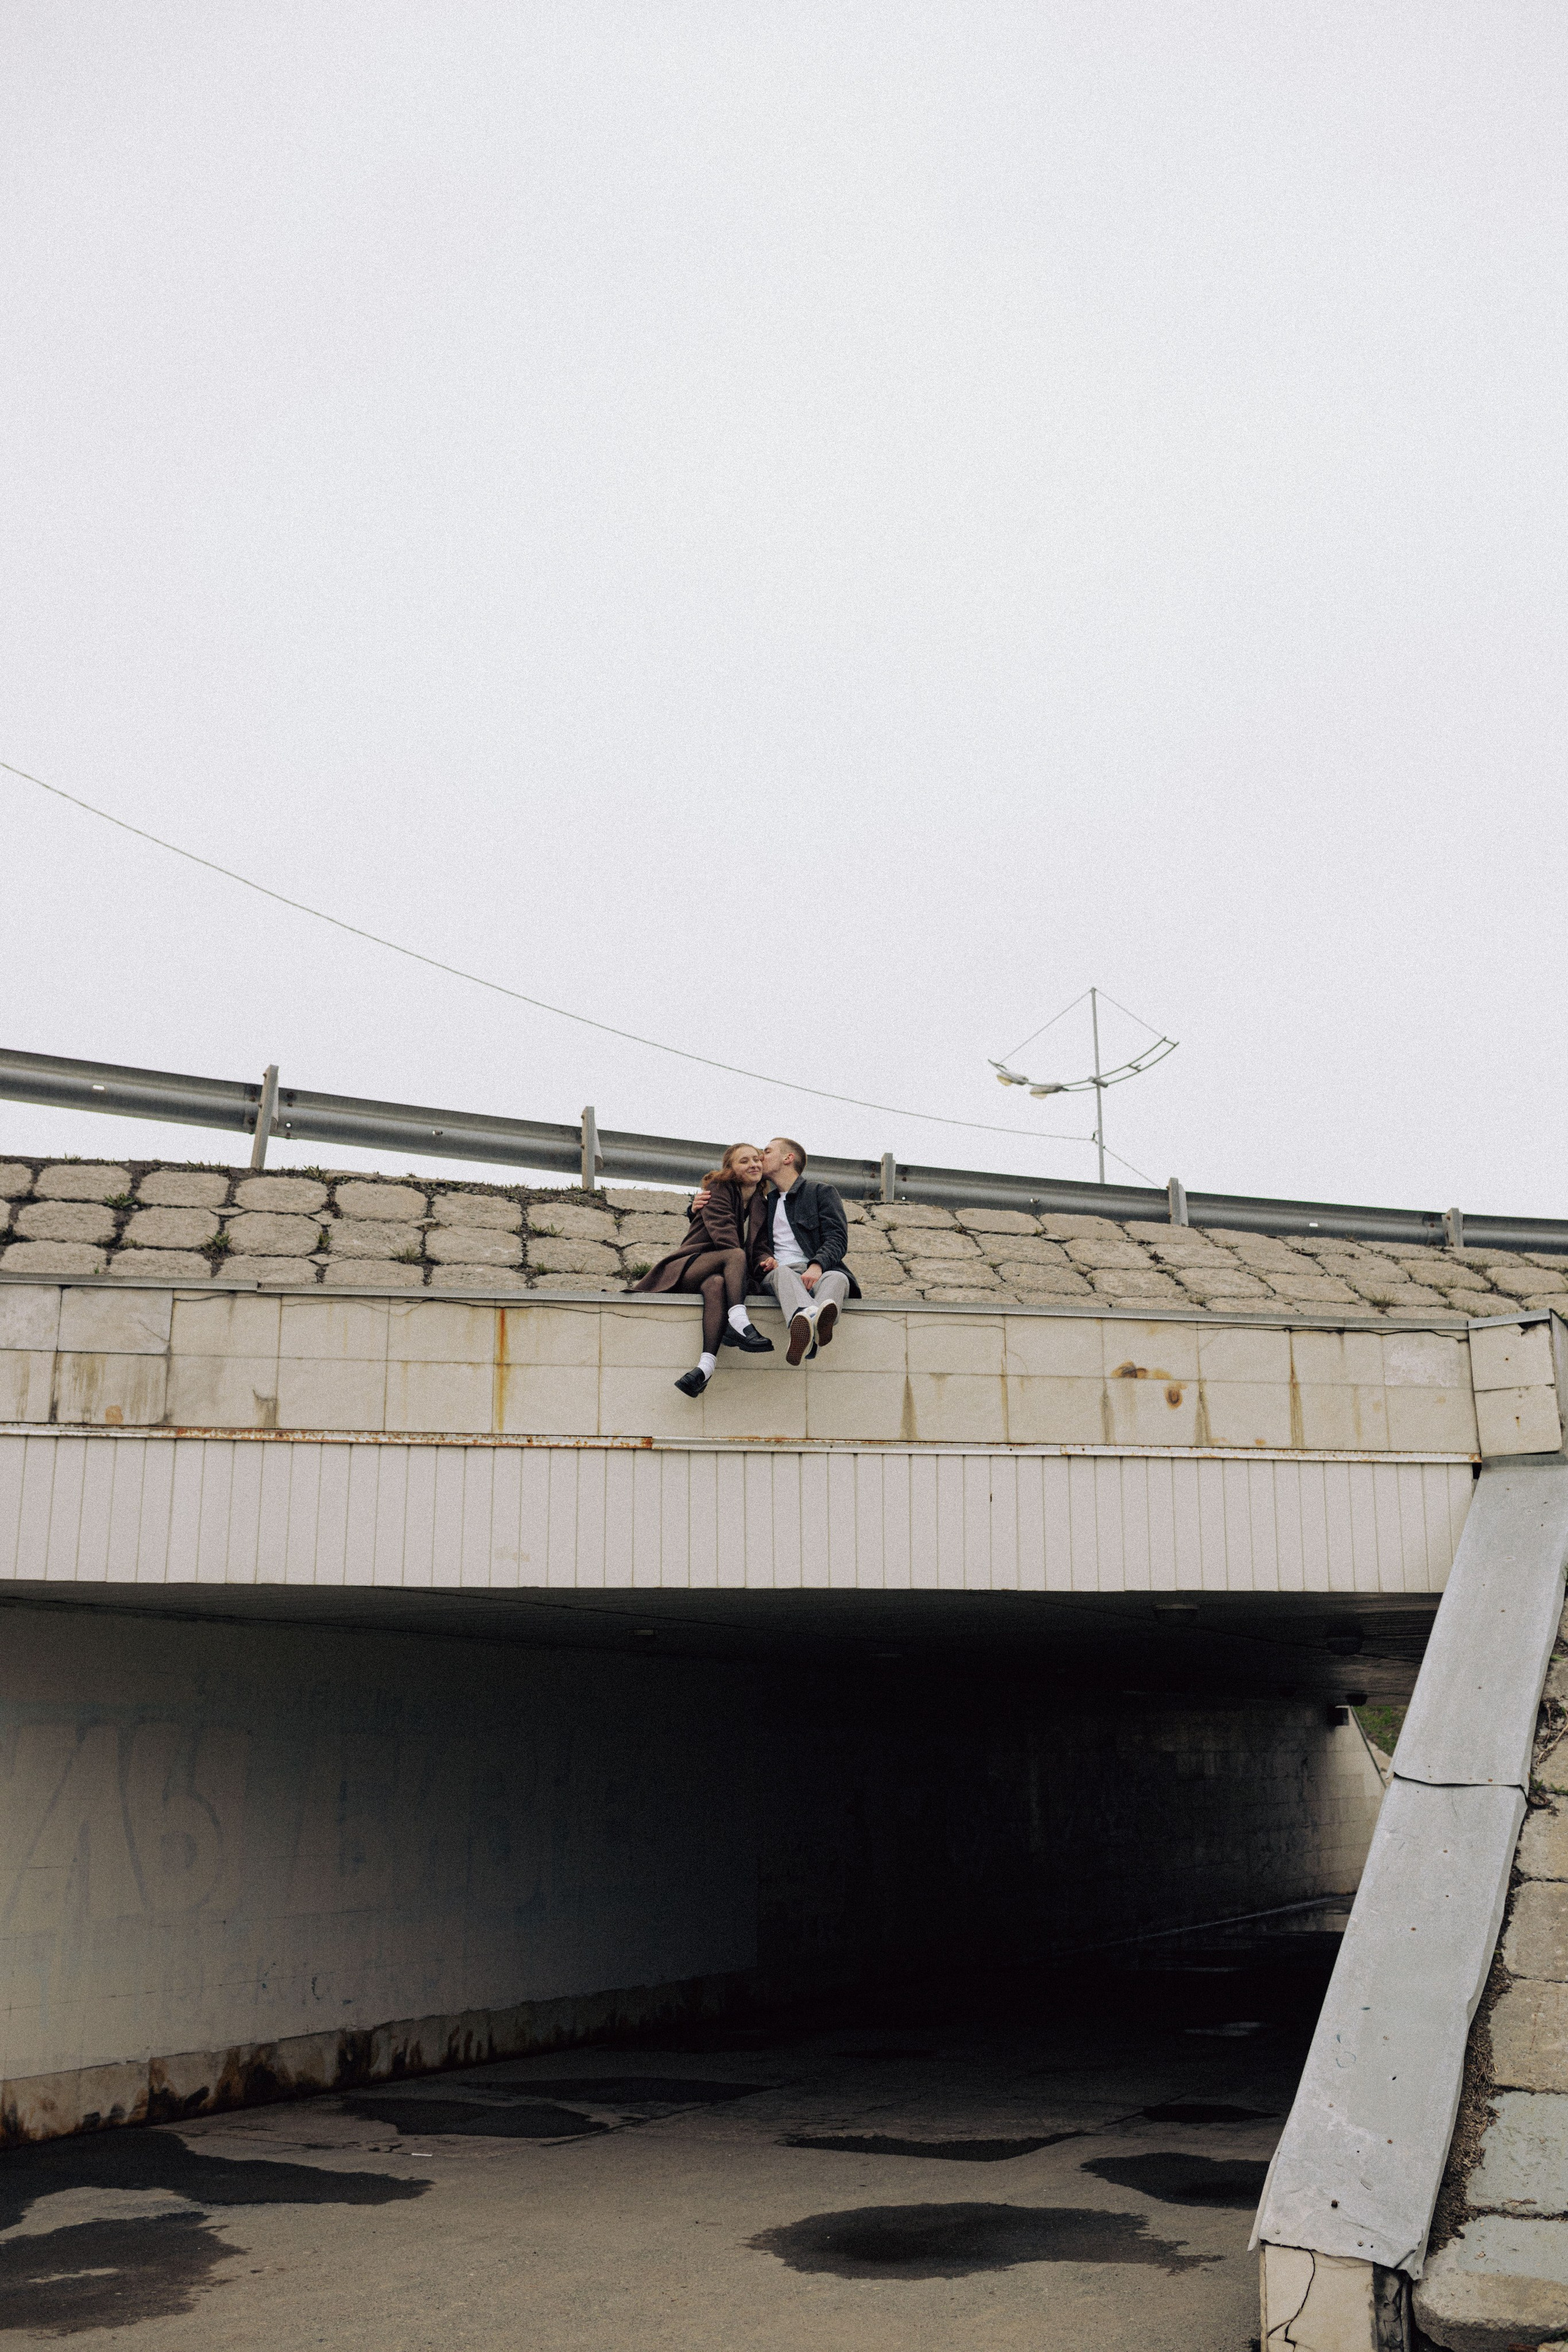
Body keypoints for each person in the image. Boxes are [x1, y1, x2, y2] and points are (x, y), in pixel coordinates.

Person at [631, 1142, 774, 1397]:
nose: (753, 1164)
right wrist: (740, 1268)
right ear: (730, 1169)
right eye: (744, 1161)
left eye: (756, 1159)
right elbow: (723, 1234)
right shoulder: (719, 1188)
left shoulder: (761, 1204)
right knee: (734, 1254)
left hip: (721, 1272)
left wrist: (766, 1260)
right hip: (690, 1265)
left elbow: (761, 1245)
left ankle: (704, 1369)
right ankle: (739, 1321)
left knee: (716, 1284)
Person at [754, 1136, 861, 1365]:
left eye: (768, 1151)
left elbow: (837, 1238)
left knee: (839, 1278)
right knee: (783, 1274)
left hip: (818, 1270)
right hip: (781, 1273)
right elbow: (731, 1212)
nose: (761, 1157)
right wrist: (694, 1209)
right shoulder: (763, 1202)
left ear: (788, 1158)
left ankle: (807, 1326)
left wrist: (817, 1265)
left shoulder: (821, 1192)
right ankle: (813, 1324)